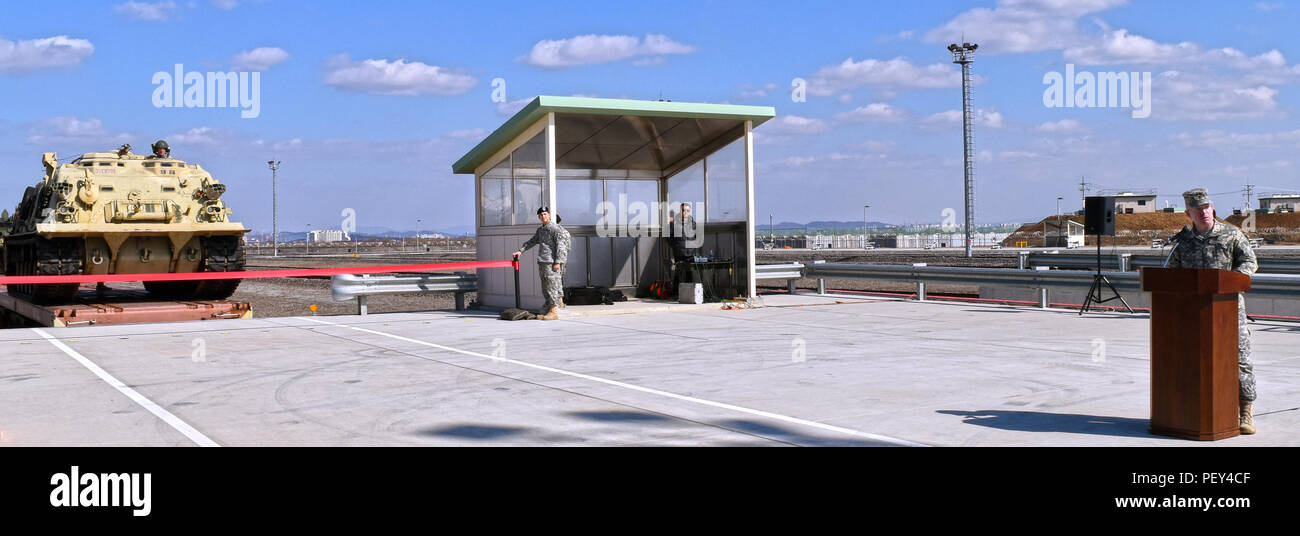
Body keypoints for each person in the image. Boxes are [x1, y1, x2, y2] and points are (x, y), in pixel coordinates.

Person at [1166, 187, 1259, 434]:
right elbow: (1170, 275)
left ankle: (1245, 411)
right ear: (1189, 213)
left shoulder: (1232, 235)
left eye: (1206, 207)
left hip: (1229, 310)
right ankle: (1190, 408)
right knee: (1193, 359)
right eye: (1197, 210)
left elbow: (1250, 263)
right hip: (1193, 312)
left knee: (1240, 359)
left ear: (1212, 207)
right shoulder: (1182, 241)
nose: (1204, 212)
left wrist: (1231, 280)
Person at [513, 207, 568, 320]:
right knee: (545, 286)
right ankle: (548, 307)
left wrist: (557, 261)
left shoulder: (555, 229)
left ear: (549, 215)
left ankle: (553, 311)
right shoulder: (541, 230)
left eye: (545, 214)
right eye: (541, 215)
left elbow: (561, 246)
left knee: (551, 285)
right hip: (543, 261)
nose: (543, 216)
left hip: (551, 262)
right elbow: (533, 241)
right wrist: (520, 250)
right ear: (539, 217)